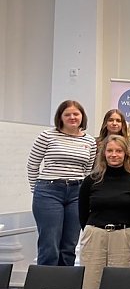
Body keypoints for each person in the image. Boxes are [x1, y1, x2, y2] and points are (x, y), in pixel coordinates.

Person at [27, 100, 97, 266]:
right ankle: (43, 287)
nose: (72, 117)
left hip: (76, 193)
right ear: (60, 117)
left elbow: (87, 171)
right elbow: (32, 164)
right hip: (48, 192)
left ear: (82, 117)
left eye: (76, 114)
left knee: (69, 246)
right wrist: (35, 189)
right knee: (49, 245)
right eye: (67, 114)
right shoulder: (47, 136)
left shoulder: (90, 141)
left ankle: (64, 288)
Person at [78, 135, 130, 289]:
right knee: (90, 284)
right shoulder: (91, 181)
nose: (114, 154)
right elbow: (82, 213)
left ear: (126, 154)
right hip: (95, 235)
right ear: (103, 153)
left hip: (124, 236)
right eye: (110, 150)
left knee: (121, 285)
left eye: (119, 151)